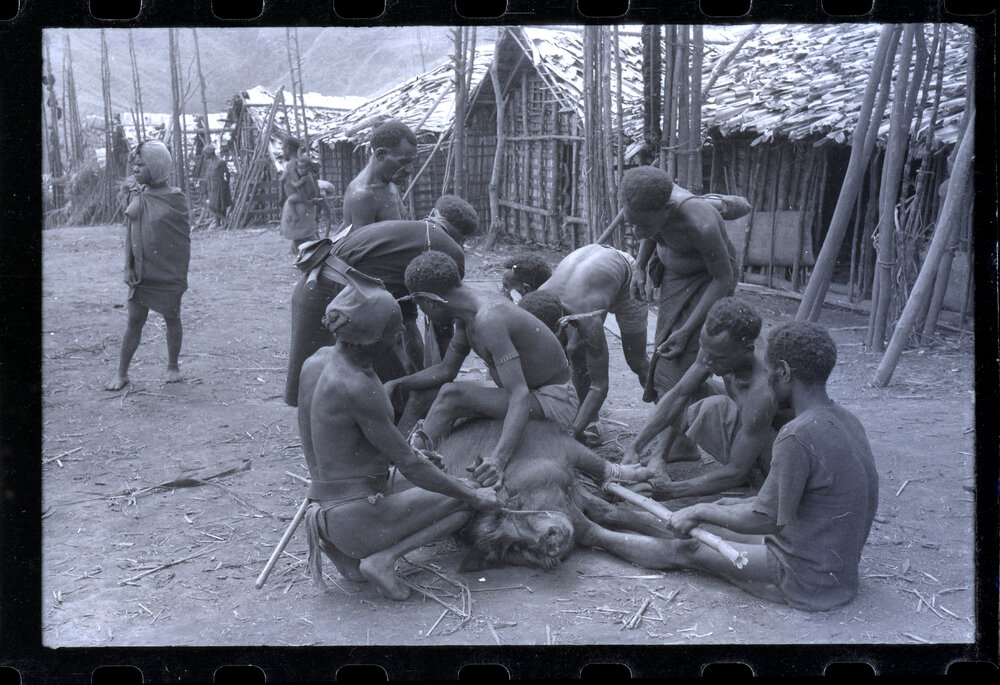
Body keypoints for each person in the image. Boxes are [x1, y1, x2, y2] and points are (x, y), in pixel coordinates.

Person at [582, 321, 880, 612]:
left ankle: (591, 532)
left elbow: (766, 521)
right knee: (708, 523)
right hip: (834, 568)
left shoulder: (796, 435)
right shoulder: (847, 420)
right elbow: (800, 504)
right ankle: (611, 514)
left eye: (769, 370)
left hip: (806, 577)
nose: (765, 376)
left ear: (785, 372)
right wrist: (721, 510)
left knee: (692, 549)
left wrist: (703, 509)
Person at [297, 277, 498, 600]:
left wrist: (412, 454)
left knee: (443, 481)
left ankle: (342, 550)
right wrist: (476, 497)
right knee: (465, 498)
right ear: (371, 338)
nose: (399, 336)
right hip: (356, 515)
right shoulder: (359, 384)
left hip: (325, 503)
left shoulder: (317, 362)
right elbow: (408, 465)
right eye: (393, 332)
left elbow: (330, 440)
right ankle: (382, 560)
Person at [386, 251, 577, 490]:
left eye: (419, 305)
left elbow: (519, 394)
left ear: (429, 300)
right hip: (531, 394)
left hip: (555, 400)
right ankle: (406, 460)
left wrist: (498, 460)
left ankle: (409, 469)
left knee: (451, 396)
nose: (424, 311)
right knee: (431, 394)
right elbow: (446, 370)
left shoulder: (489, 319)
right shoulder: (466, 315)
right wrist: (397, 384)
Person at [284, 196, 479, 406]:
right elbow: (441, 319)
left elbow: (410, 325)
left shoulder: (410, 238)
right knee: (339, 390)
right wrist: (430, 376)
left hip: (313, 289)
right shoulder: (448, 252)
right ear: (464, 239)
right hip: (330, 292)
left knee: (322, 387)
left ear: (433, 214)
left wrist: (420, 374)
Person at [622, 166, 739, 460]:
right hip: (677, 278)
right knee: (666, 357)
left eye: (643, 227)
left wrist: (688, 328)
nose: (637, 233)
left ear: (668, 210)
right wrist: (639, 267)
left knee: (681, 358)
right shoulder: (648, 204)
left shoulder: (702, 224)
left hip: (709, 282)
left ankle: (678, 442)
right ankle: (683, 440)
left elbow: (723, 278)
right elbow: (651, 230)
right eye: (631, 224)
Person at [622, 298, 789, 498]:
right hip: (751, 429)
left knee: (714, 408)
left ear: (747, 351)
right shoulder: (716, 347)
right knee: (696, 390)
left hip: (777, 453)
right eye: (704, 349)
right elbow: (679, 394)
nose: (707, 360)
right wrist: (635, 447)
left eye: (717, 357)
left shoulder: (763, 390)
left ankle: (758, 486)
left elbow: (735, 472)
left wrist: (666, 491)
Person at [504, 244, 650, 444]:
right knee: (574, 352)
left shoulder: (587, 318)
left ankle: (677, 421)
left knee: (637, 361)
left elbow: (600, 385)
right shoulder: (533, 302)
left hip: (626, 277)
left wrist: (571, 434)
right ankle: (590, 420)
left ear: (561, 325)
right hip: (590, 275)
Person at [104, 140, 191, 391]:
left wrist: (176, 272)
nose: (135, 169)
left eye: (141, 164)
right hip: (141, 271)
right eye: (134, 164)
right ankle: (122, 372)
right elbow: (130, 234)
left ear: (157, 166)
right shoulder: (136, 194)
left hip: (168, 272)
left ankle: (172, 365)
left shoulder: (176, 199)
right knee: (134, 320)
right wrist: (127, 266)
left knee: (172, 317)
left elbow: (181, 240)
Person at [340, 119, 417, 230]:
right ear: (380, 154)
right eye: (403, 161)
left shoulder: (389, 183)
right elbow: (365, 246)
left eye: (412, 162)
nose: (410, 170)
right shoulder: (363, 195)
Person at [279, 138, 318, 253]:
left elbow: (298, 186)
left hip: (299, 204)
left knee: (301, 237)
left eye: (283, 147)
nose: (282, 150)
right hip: (300, 203)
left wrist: (305, 200)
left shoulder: (292, 164)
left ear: (288, 148)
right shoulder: (298, 163)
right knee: (304, 236)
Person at [202, 145, 231, 229]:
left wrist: (226, 184)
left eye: (205, 154)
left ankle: (226, 221)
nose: (204, 156)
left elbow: (227, 173)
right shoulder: (211, 162)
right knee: (216, 206)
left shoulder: (220, 162)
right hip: (214, 186)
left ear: (210, 154)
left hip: (221, 185)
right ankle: (220, 224)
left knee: (215, 205)